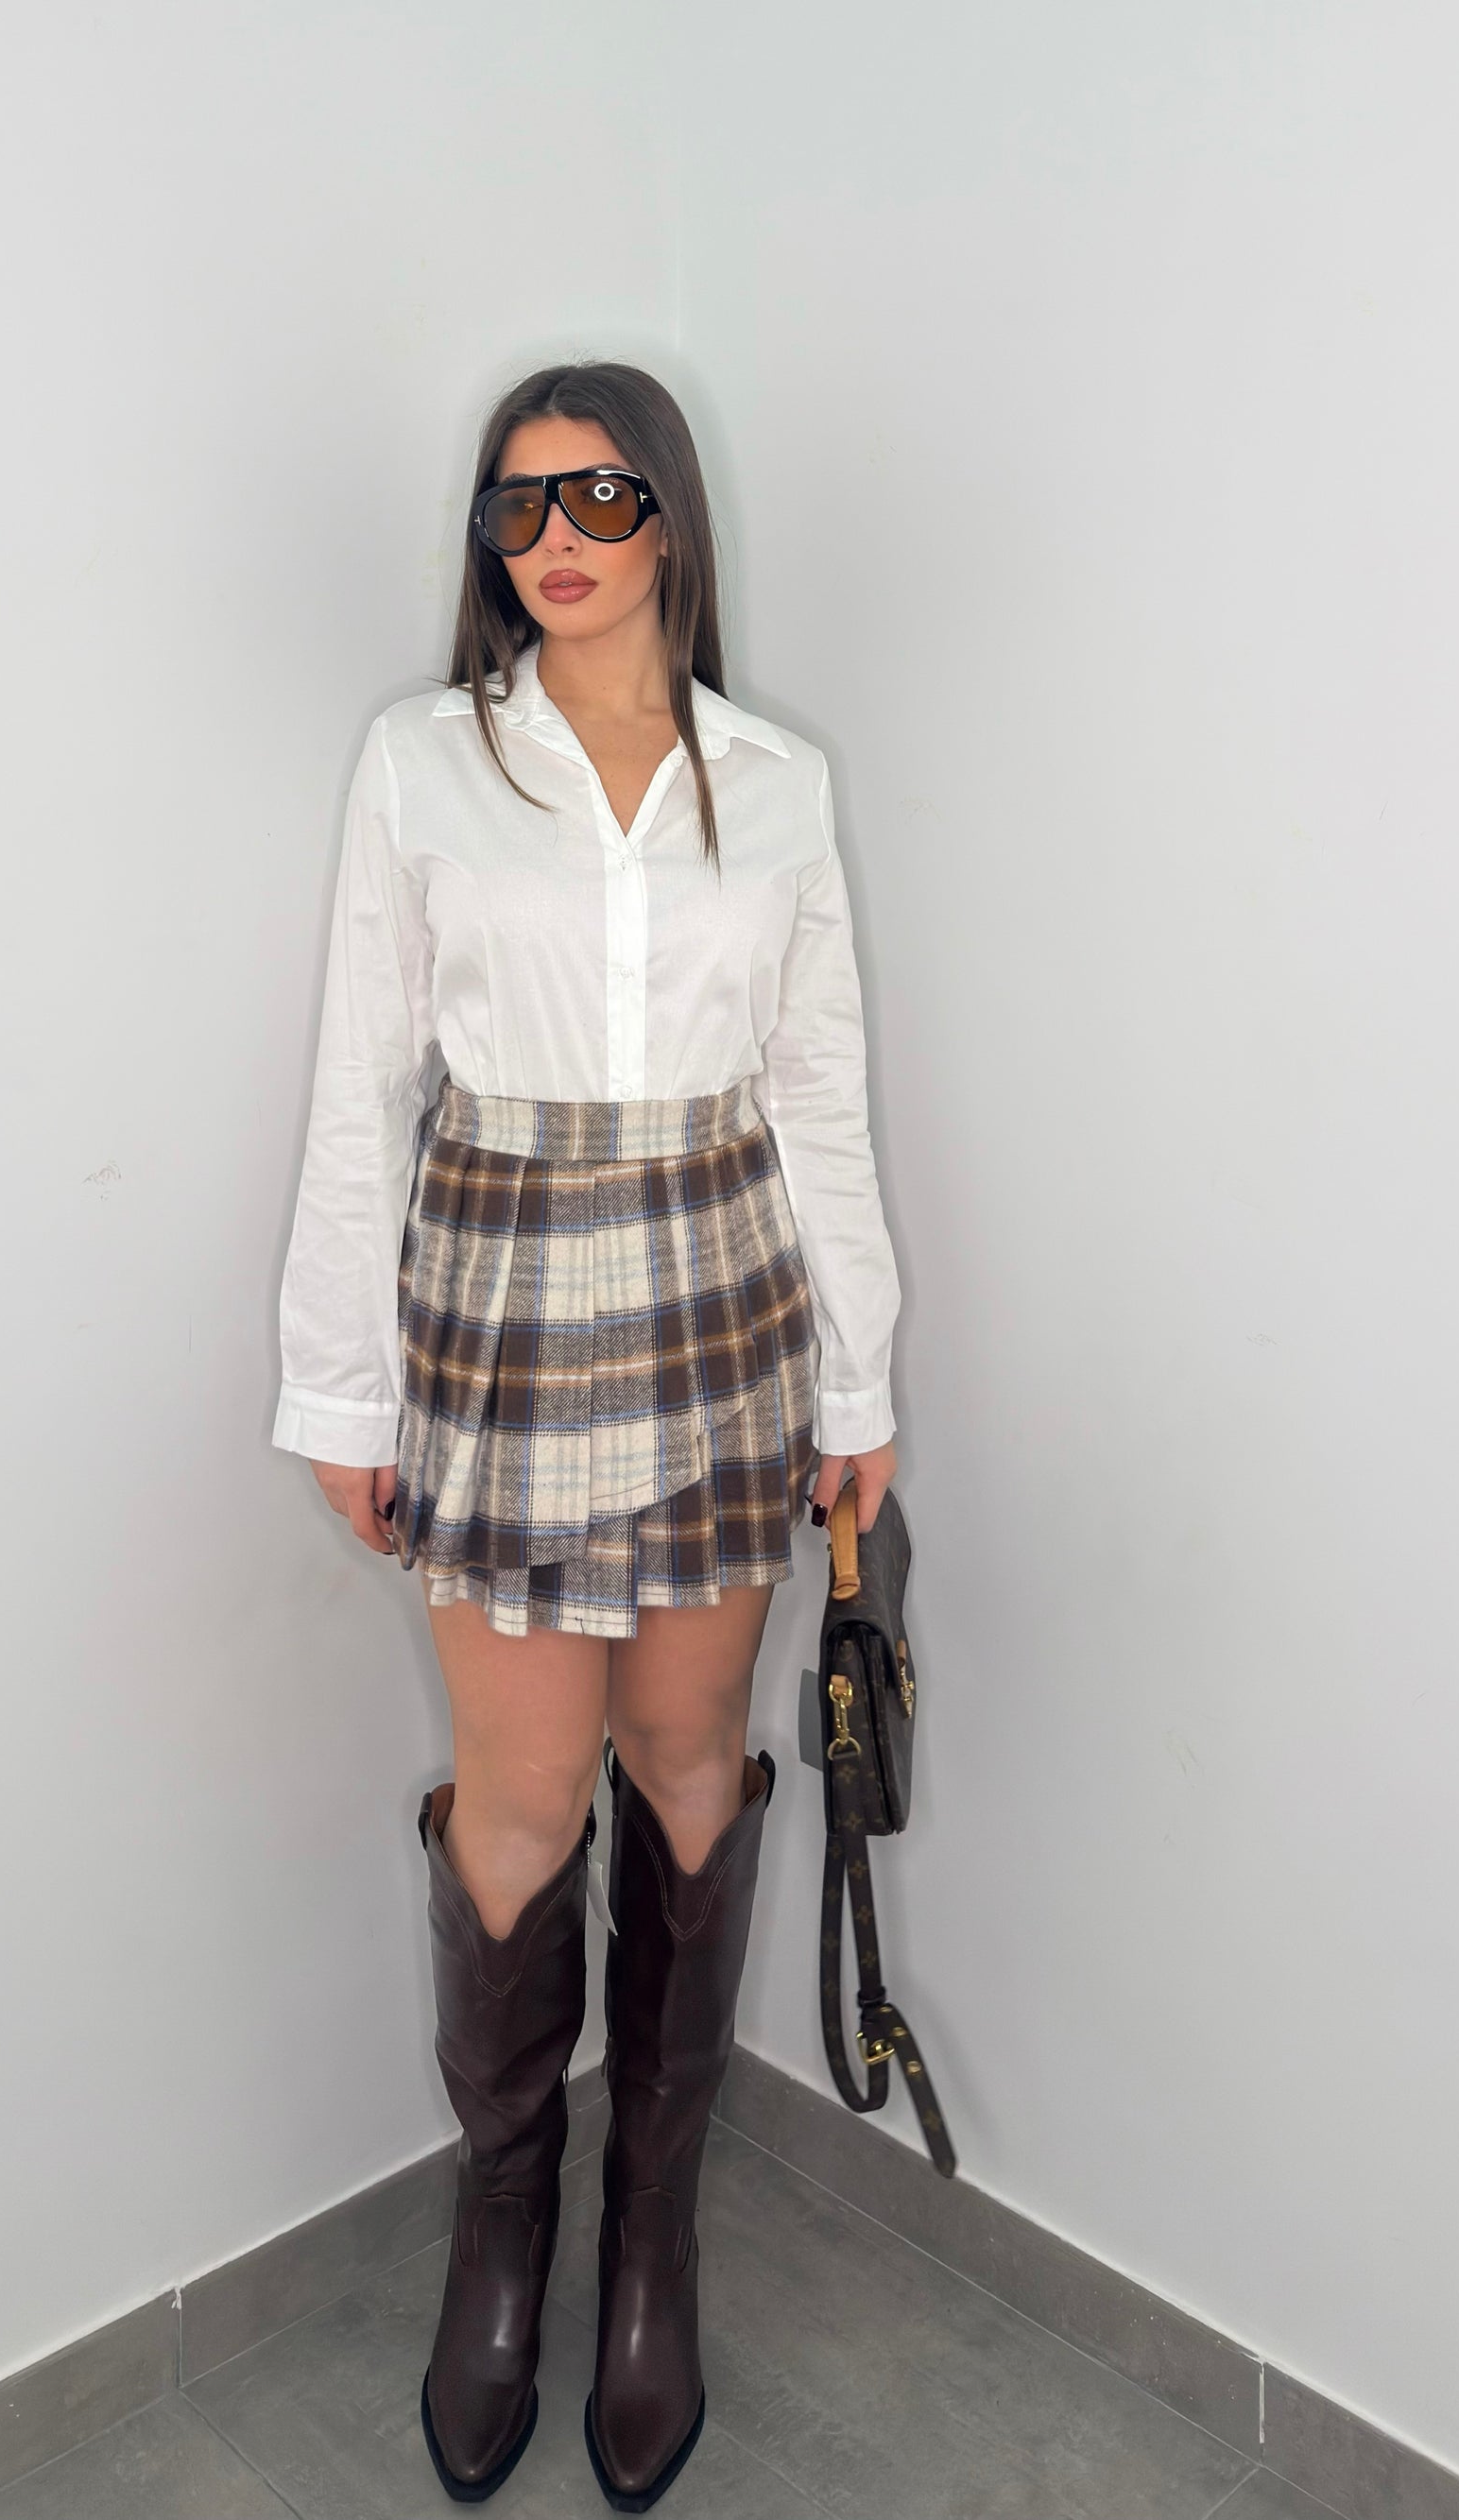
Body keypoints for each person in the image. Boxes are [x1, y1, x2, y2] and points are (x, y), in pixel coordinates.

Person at [272, 360, 901, 2511]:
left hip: (727, 1303)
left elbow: (816, 1096)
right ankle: (503, 2225)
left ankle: (655, 2236)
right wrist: (342, 1386)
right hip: (504, 1302)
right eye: (517, 504)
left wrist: (860, 1379)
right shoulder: (422, 761)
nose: (555, 536)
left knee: (692, 1765)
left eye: (600, 493)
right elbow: (362, 1085)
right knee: (525, 1797)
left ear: (670, 517)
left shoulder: (777, 782)